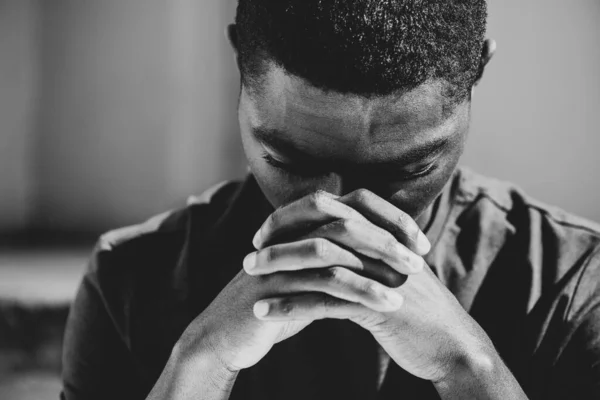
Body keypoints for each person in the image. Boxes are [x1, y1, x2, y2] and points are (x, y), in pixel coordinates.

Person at [60, 1, 600, 399]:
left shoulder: (572, 282)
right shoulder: (129, 280)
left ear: (477, 74)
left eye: (410, 168)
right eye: (290, 162)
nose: (335, 209)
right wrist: (199, 364)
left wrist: (472, 369)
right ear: (241, 71)